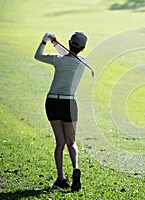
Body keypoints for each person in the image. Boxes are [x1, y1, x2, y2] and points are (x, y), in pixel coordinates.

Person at [34, 32, 87, 192]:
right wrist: (57, 45)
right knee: (71, 142)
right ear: (83, 49)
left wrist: (46, 41)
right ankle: (75, 168)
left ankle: (61, 178)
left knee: (60, 143)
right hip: (69, 103)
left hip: (52, 102)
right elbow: (71, 56)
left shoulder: (59, 61)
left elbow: (38, 56)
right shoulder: (83, 62)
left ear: (69, 42)